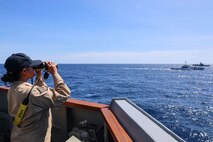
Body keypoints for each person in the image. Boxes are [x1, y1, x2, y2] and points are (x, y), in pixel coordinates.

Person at [1, 53, 70, 142]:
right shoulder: (33, 93)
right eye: (31, 67)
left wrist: (39, 75)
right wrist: (54, 73)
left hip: (19, 137)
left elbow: (36, 94)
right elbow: (63, 94)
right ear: (24, 71)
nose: (34, 69)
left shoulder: (13, 88)